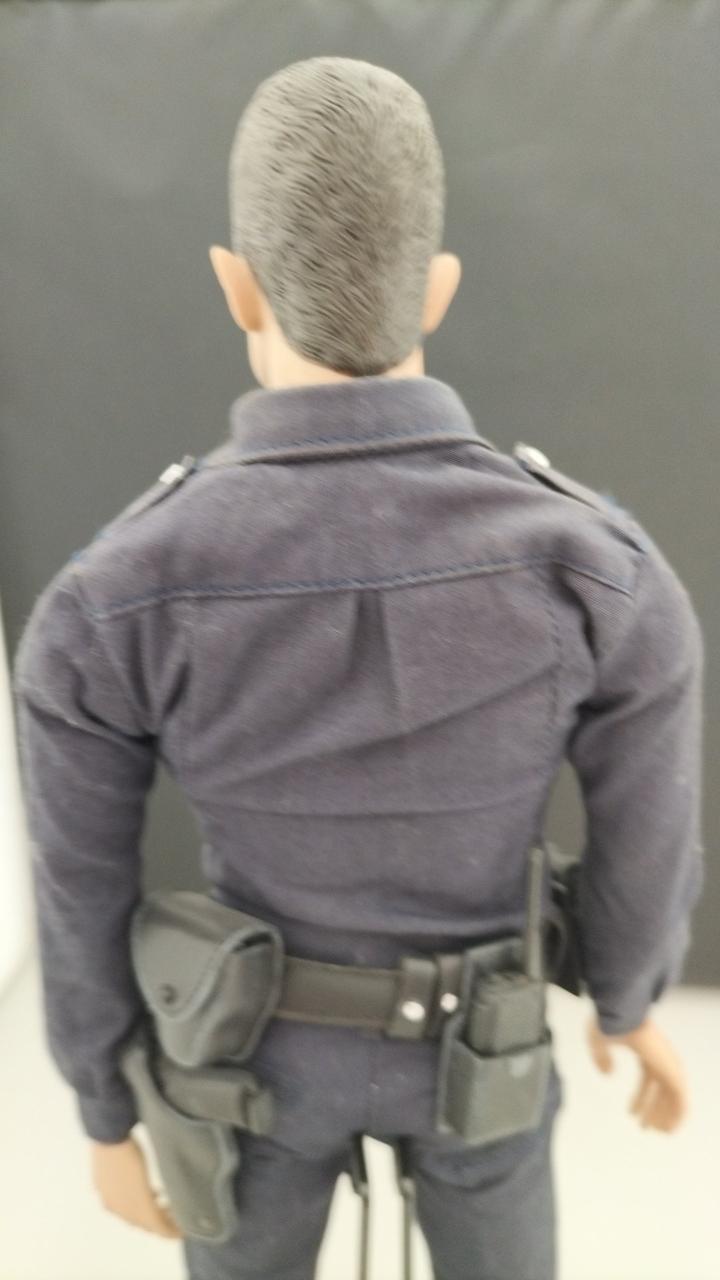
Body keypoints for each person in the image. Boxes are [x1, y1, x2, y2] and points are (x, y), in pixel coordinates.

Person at [12, 56, 704, 1280]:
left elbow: (80, 885)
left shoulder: (115, 594)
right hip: (485, 1057)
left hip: (246, 1064)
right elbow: (646, 833)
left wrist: (104, 1106)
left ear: (235, 285)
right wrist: (628, 998)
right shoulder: (594, 568)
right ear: (438, 288)